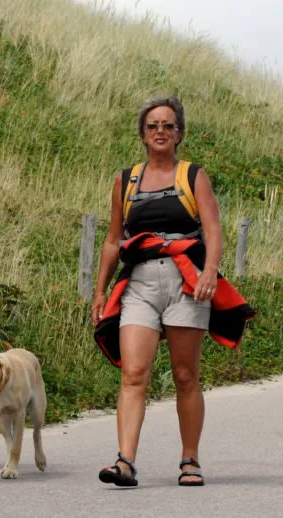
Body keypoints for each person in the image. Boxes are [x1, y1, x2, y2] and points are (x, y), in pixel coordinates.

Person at [91, 96, 223, 487]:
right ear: (143, 134)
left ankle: (190, 460)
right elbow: (113, 239)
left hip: (186, 282)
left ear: (179, 133)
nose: (160, 132)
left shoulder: (192, 176)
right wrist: (100, 291)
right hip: (140, 283)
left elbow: (213, 229)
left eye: (168, 125)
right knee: (133, 373)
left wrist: (209, 272)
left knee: (185, 374)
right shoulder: (126, 180)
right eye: (153, 126)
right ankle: (125, 462)